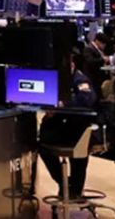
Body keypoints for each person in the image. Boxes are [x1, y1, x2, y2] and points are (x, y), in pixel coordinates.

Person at [40, 53, 99, 200]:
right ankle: (64, 182)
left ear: (72, 65)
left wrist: (63, 104)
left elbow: (87, 99)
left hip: (78, 130)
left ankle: (74, 189)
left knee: (78, 158)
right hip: (62, 129)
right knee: (42, 148)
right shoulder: (58, 80)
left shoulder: (80, 79)